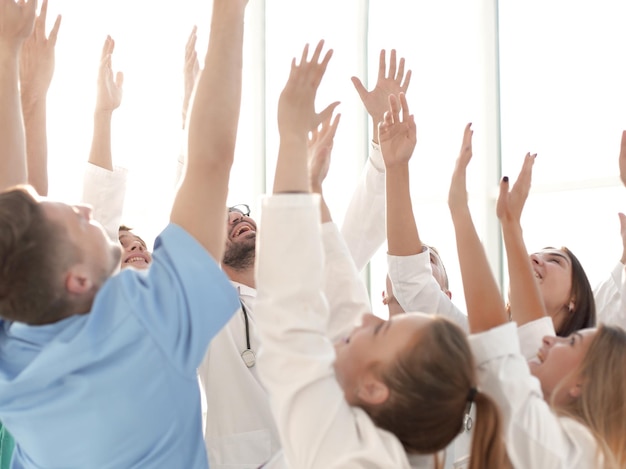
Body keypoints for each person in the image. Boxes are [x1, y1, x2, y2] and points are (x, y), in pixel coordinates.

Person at [0, 1, 246, 468]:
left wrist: (13, 66)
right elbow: (208, 162)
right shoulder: (148, 327)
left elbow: (11, 209)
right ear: (77, 281)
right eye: (78, 219)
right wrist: (230, 12)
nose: (87, 206)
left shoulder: (14, 355)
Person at [255, 44, 508, 468]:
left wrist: (291, 140)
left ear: (373, 389)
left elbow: (289, 312)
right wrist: (312, 190)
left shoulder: (334, 448)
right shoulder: (390, 436)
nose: (372, 316)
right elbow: (344, 304)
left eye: (379, 333)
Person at [196, 55, 370, 469]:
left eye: (241, 214)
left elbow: (355, 242)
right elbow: (196, 193)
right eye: (225, 220)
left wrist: (380, 156)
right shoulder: (206, 311)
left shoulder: (306, 285)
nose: (238, 218)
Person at [449, 123, 626, 468]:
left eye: (571, 343)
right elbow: (530, 335)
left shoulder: (557, 452)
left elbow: (496, 339)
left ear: (582, 384)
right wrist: (510, 225)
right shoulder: (576, 441)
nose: (551, 341)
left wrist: (459, 208)